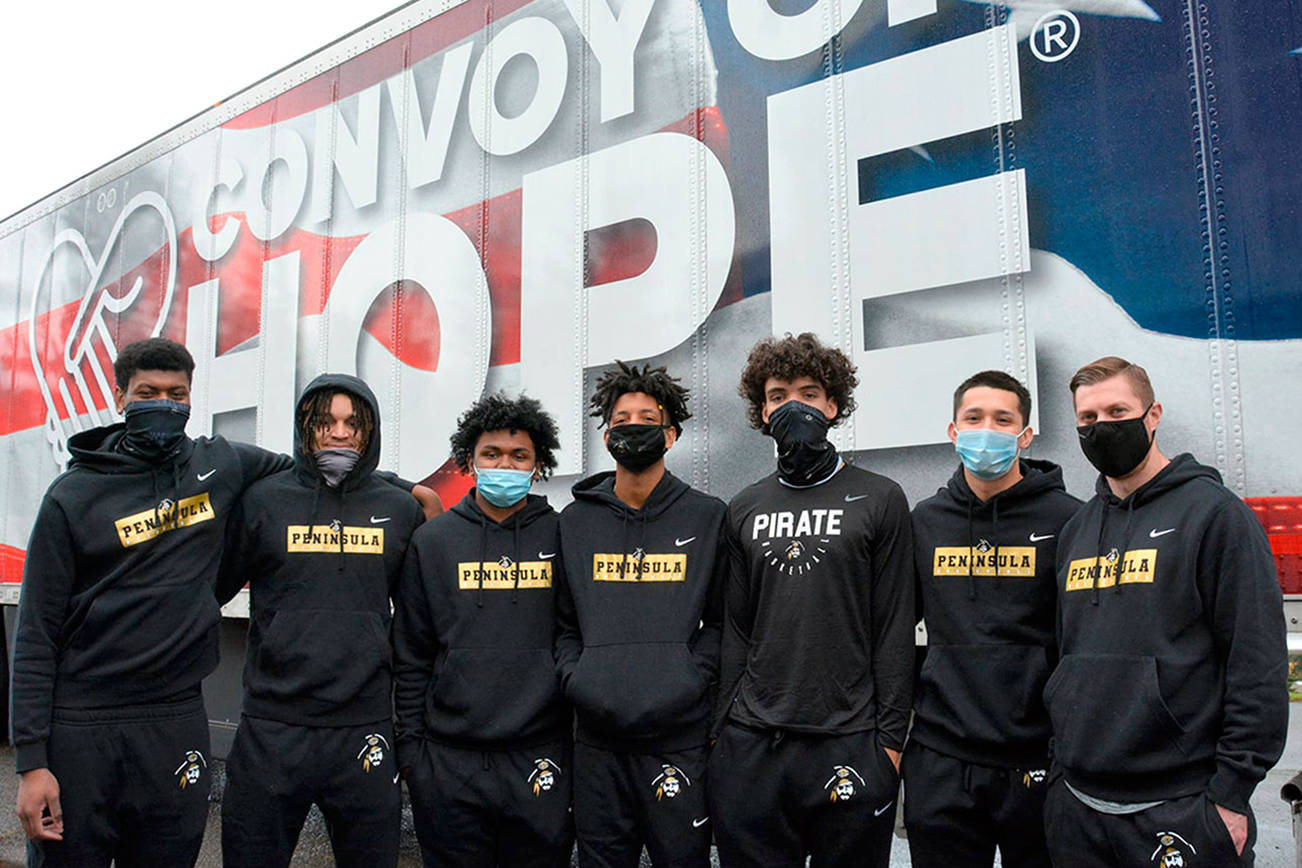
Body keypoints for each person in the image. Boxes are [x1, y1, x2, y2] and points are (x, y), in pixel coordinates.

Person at [10, 337, 434, 867]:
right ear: (120, 396)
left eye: (176, 393)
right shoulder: (71, 495)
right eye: (148, 392)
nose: (164, 404)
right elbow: (35, 634)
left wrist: (399, 487)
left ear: (191, 398)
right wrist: (31, 760)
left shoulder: (221, 464)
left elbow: (318, 470)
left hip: (177, 715)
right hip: (85, 722)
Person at [1042, 356, 1287, 866]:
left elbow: (1257, 664)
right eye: (1088, 418)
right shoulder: (1077, 530)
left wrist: (1230, 797)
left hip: (1180, 809)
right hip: (1078, 807)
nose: (1102, 427)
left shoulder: (1216, 515)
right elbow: (1066, 653)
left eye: (1117, 410)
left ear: (1153, 415)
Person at [710, 332, 913, 868]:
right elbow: (736, 629)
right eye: (778, 395)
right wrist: (721, 737)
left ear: (833, 405)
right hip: (753, 744)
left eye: (808, 392)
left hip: (850, 743)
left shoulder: (880, 498)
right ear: (761, 410)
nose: (793, 405)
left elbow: (895, 627)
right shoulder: (745, 506)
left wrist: (888, 748)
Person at [215, 374, 425, 867]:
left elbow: (417, 630)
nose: (339, 433)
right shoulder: (264, 502)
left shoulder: (398, 510)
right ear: (304, 428)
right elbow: (207, 593)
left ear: (369, 432)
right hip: (272, 727)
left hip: (364, 729)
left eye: (354, 423)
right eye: (325, 421)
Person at [902, 370, 1080, 868]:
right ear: (953, 431)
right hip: (941, 758)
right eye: (974, 418)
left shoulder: (1069, 520)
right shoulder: (925, 521)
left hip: (1038, 760)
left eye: (1003, 420)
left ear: (1025, 435)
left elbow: (1081, 642)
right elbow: (893, 633)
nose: (987, 430)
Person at [555, 361, 726, 868]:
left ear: (670, 435)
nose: (634, 426)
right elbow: (563, 626)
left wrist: (689, 680)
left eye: (647, 417)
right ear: (607, 436)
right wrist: (578, 680)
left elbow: (721, 624)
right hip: (597, 748)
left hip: (678, 744)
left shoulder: (708, 516)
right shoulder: (575, 522)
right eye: (622, 418)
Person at [393, 392, 573, 867]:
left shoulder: (561, 536)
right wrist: (413, 754)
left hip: (538, 755)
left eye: (519, 456)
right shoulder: (432, 543)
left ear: (538, 466)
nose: (504, 465)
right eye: (491, 454)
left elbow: (575, 639)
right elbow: (411, 653)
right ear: (469, 460)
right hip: (449, 762)